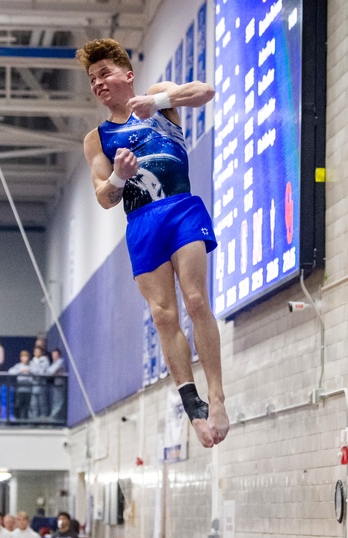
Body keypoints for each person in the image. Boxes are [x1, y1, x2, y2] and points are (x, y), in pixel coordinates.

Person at [78, 38, 229, 447]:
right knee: (164, 316)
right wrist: (118, 178)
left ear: (127, 74)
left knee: (195, 300)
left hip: (180, 208)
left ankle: (216, 396)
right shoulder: (97, 138)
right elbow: (103, 198)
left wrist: (158, 98)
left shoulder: (160, 98)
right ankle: (194, 409)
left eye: (104, 73)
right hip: (141, 221)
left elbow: (206, 91)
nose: (98, 83)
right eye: (92, 79)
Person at [7, 350, 34, 421]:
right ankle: (17, 420)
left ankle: (25, 421)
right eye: (23, 357)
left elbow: (38, 371)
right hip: (20, 388)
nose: (25, 358)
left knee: (27, 406)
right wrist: (21, 371)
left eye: (26, 357)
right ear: (20, 358)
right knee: (18, 404)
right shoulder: (18, 366)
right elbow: (10, 371)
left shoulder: (32, 365)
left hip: (29, 388)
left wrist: (29, 371)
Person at [46, 348, 67, 421]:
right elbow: (47, 372)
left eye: (55, 355)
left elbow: (51, 371)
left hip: (60, 384)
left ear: (59, 355)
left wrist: (54, 372)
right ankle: (54, 417)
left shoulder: (60, 361)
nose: (53, 356)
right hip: (55, 384)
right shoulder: (54, 363)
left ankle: (54, 417)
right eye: (52, 355)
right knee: (55, 400)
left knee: (59, 401)